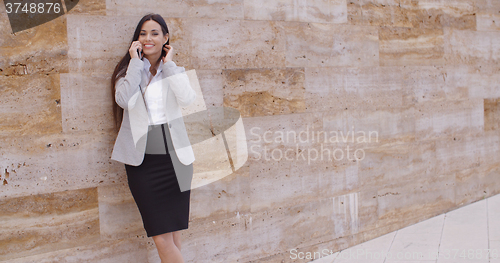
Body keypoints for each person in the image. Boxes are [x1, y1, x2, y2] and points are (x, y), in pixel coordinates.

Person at [109, 13, 196, 263]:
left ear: (166, 38)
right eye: (143, 34)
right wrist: (136, 63)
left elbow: (188, 99)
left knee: (173, 233)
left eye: (155, 33)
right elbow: (123, 101)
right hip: (143, 160)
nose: (148, 38)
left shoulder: (173, 71)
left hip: (175, 157)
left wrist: (168, 65)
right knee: (160, 236)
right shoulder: (128, 72)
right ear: (137, 40)